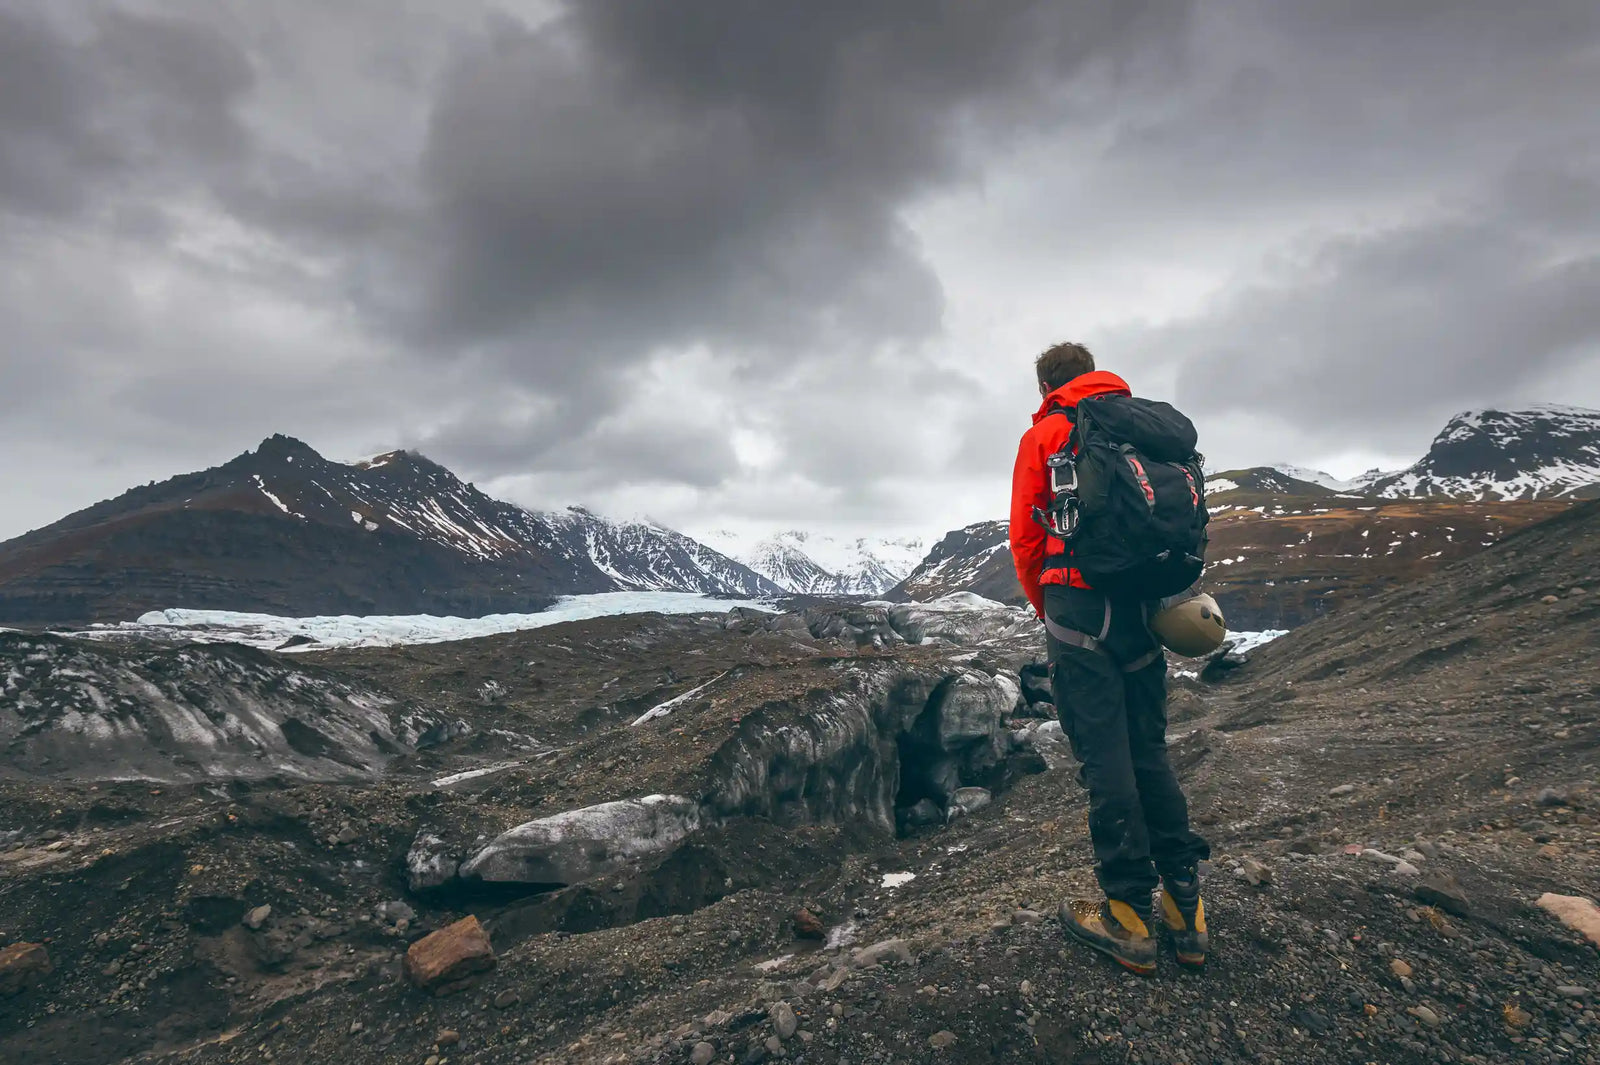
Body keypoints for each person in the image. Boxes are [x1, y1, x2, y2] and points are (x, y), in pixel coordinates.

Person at [1008, 341, 1211, 975]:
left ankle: (1127, 914)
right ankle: (1186, 910)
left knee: (1106, 761)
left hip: (1079, 605)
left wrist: (1050, 607)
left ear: (1046, 386)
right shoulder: (1145, 426)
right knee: (1150, 751)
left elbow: (1026, 538)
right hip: (1143, 606)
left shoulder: (1047, 433)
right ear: (1095, 375)